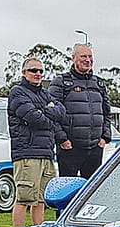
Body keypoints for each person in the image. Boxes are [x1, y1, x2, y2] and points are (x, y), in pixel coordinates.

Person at [6, 60, 65, 227]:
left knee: (40, 199)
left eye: (40, 70)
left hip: (46, 153)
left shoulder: (44, 94)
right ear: (24, 72)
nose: (38, 73)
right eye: (33, 70)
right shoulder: (17, 93)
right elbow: (33, 117)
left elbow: (61, 112)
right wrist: (49, 112)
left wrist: (45, 110)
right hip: (27, 154)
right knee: (24, 198)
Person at [47, 43, 114, 179]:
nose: (87, 60)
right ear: (74, 58)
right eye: (83, 56)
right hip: (70, 148)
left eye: (90, 56)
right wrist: (62, 139)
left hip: (95, 148)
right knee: (67, 190)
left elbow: (107, 113)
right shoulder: (61, 82)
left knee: (92, 189)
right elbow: (50, 114)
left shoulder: (99, 84)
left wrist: (104, 137)